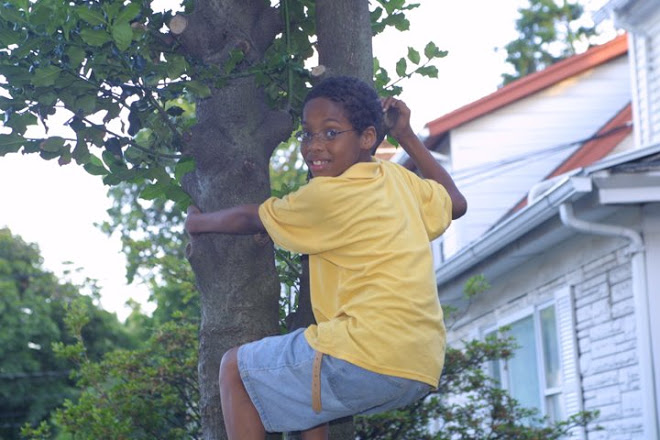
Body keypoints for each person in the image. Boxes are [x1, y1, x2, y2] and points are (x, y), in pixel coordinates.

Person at [185, 76, 467, 440]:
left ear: (367, 138)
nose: (314, 146)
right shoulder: (399, 180)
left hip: (367, 352)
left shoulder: (328, 195)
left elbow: (252, 217)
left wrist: (198, 222)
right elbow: (455, 203)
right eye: (307, 134)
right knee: (305, 382)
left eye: (331, 133)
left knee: (233, 368)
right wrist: (408, 137)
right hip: (419, 361)